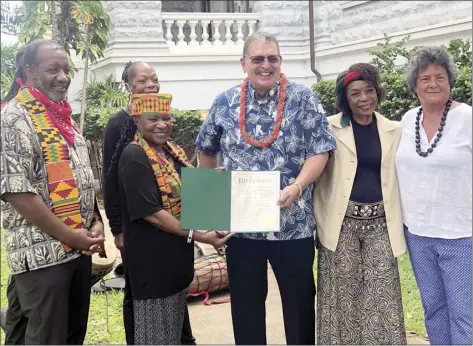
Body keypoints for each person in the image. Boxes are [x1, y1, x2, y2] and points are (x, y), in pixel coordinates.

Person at [195, 31, 336, 345]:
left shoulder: (303, 99)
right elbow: (206, 150)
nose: (265, 64)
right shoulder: (224, 102)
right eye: (257, 58)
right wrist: (211, 212)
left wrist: (298, 186)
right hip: (241, 231)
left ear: (280, 61)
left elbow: (321, 150)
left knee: (299, 309)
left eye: (272, 58)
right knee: (245, 312)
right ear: (243, 63)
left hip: (294, 227)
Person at [0, 39, 105, 344]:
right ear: (30, 71)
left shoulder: (62, 118)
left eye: (66, 68)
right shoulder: (14, 119)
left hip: (77, 250)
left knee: (70, 336)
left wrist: (95, 221)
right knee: (48, 339)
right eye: (53, 69)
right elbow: (17, 192)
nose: (63, 76)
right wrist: (72, 236)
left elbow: (82, 174)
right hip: (44, 256)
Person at [118, 92, 232, 344]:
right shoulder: (135, 157)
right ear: (137, 120)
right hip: (153, 266)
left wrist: (219, 184)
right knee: (157, 337)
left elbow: (191, 191)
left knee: (172, 334)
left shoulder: (170, 152)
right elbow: (153, 214)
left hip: (175, 263)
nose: (162, 124)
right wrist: (201, 235)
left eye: (166, 117)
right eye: (153, 119)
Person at [102, 61, 196, 345]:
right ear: (129, 88)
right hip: (142, 229)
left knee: (172, 302)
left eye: (154, 79)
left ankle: (181, 338)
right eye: (142, 81)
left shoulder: (162, 131)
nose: (150, 85)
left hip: (173, 238)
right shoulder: (121, 127)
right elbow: (110, 180)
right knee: (145, 302)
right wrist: (117, 229)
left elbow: (176, 175)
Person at [313, 63, 407, 345]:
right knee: (343, 296)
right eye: (355, 94)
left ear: (377, 92)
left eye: (369, 91)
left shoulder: (394, 129)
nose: (364, 98)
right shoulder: (328, 128)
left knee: (383, 295)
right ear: (345, 99)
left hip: (380, 223)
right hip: (341, 226)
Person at [395, 46, 472, 345]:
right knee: (434, 309)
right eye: (425, 78)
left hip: (462, 234)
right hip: (418, 233)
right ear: (415, 85)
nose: (433, 84)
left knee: (463, 314)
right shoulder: (407, 119)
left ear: (450, 81)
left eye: (440, 77)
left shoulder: (466, 118)